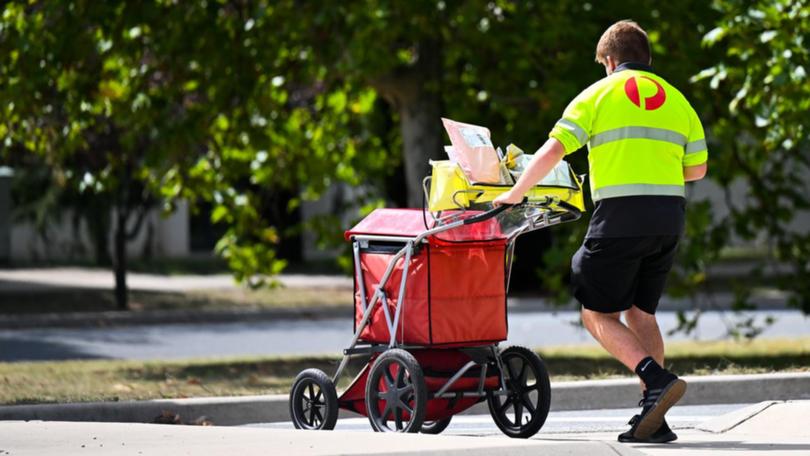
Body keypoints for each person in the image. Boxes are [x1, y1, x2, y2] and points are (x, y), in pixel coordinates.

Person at [493, 20, 708, 443]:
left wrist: (516, 193)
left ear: (609, 61)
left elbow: (554, 149)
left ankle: (655, 379)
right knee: (641, 313)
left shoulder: (597, 94)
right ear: (646, 59)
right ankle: (655, 418)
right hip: (668, 218)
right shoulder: (677, 99)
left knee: (595, 312)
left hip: (620, 219)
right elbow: (697, 169)